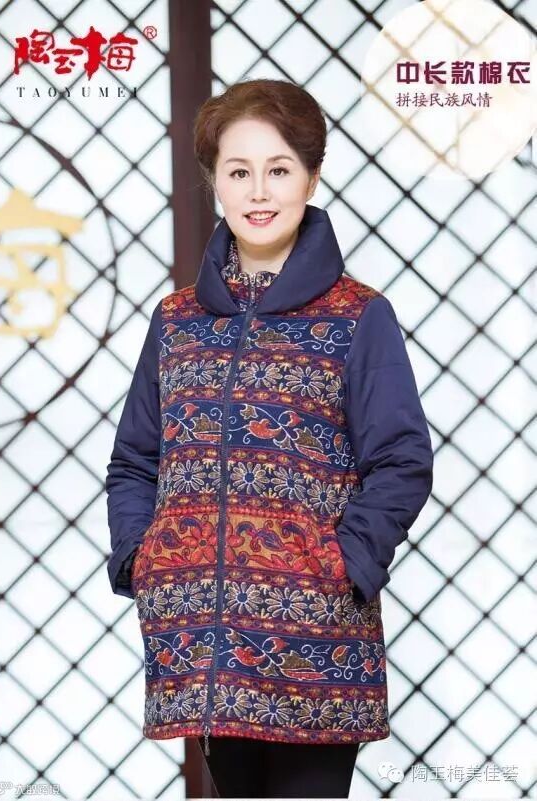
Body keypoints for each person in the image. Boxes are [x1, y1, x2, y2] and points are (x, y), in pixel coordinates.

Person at [105, 78, 434, 799]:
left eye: (279, 169)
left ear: (310, 178)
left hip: (315, 640)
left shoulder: (358, 316)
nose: (258, 191)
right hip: (203, 638)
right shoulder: (177, 322)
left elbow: (401, 460)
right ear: (214, 183)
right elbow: (135, 458)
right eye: (238, 171)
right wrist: (143, 555)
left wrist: (342, 563)